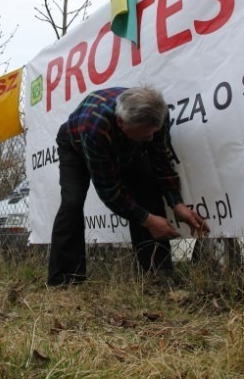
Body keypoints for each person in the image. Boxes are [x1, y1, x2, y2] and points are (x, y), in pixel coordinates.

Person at [47, 86, 209, 287]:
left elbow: (161, 159)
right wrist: (148, 220)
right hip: (76, 146)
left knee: (147, 184)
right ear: (121, 123)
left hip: (125, 142)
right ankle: (65, 280)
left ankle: (156, 275)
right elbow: (109, 191)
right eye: (145, 136)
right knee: (72, 202)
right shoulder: (95, 128)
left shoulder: (157, 114)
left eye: (152, 134)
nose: (150, 139)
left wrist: (177, 204)